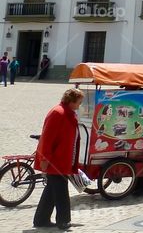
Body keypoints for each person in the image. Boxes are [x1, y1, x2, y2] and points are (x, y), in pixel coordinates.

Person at [33, 88, 83, 230]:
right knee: (61, 191)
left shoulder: (67, 113)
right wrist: (45, 159)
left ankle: (41, 220)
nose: (80, 105)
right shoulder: (58, 113)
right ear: (71, 101)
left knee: (51, 191)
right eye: (79, 102)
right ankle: (63, 221)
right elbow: (47, 139)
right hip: (55, 161)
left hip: (62, 159)